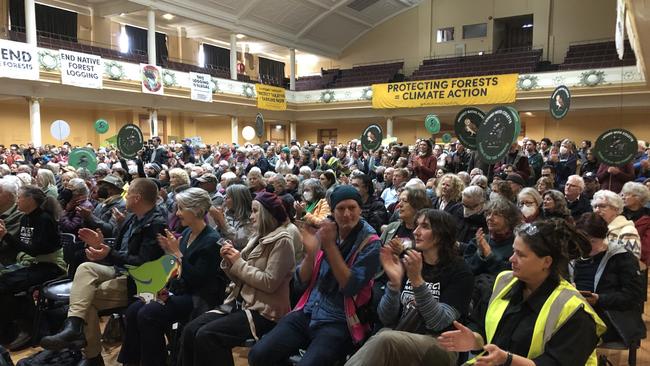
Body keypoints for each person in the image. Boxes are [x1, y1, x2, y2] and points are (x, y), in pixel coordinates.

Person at [438, 219, 606, 365]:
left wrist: (508, 360)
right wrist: (474, 340)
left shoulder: (575, 310)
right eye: (513, 251)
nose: (511, 259)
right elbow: (481, 325)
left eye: (520, 255)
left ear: (546, 262)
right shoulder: (505, 281)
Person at [248, 186, 381, 366]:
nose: (347, 214)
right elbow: (300, 281)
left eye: (352, 208)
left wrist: (329, 247)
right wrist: (310, 255)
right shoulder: (326, 231)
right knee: (258, 354)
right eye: (341, 209)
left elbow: (350, 287)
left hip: (339, 319)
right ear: (333, 211)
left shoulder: (370, 242)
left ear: (360, 209)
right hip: (309, 309)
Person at [41, 178, 167, 366]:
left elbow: (143, 263)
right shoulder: (133, 218)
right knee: (85, 268)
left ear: (137, 197)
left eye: (128, 193)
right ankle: (74, 327)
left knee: (85, 301)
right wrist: (101, 248)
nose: (125, 196)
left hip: (138, 280)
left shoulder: (155, 224)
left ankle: (92, 356)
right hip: (119, 271)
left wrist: (109, 253)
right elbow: (120, 252)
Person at [179, 192, 295, 366]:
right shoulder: (257, 237)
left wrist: (238, 262)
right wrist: (229, 261)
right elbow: (241, 277)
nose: (251, 216)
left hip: (264, 311)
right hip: (241, 301)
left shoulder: (282, 240)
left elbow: (269, 283)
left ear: (267, 214)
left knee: (208, 335)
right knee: (190, 330)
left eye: (255, 211)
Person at [344, 210, 474, 366]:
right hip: (405, 332)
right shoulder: (411, 261)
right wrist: (394, 284)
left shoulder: (460, 270)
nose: (416, 231)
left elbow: (438, 323)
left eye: (425, 226)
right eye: (417, 225)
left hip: (442, 344)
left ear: (441, 234)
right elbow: (386, 318)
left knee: (386, 339)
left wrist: (417, 281)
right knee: (383, 334)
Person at [118, 188, 225, 366]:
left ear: (196, 210)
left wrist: (176, 253)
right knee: (133, 309)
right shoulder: (185, 235)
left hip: (198, 297)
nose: (177, 213)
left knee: (148, 313)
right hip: (179, 291)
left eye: (181, 209)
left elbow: (197, 280)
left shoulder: (212, 240)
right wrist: (169, 256)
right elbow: (176, 271)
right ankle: (133, 361)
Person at [0, 186, 63, 349]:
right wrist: (4, 237)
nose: (17, 200)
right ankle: (17, 328)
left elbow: (35, 250)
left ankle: (26, 328)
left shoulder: (44, 219)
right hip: (33, 264)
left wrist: (6, 236)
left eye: (20, 197)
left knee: (4, 285)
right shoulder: (25, 218)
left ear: (30, 200)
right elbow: (22, 248)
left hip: (51, 267)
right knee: (5, 286)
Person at [572, 213, 645, 344]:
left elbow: (634, 296)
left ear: (604, 237)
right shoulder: (573, 256)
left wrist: (599, 299)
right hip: (577, 310)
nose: (587, 245)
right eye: (582, 241)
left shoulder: (622, 257)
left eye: (593, 241)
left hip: (610, 315)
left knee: (574, 333)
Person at [462, 198, 520, 276]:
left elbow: (510, 274)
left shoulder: (517, 245)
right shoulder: (477, 241)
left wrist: (489, 256)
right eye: (488, 214)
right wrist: (480, 253)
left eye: (496, 214)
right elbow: (466, 270)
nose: (490, 218)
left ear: (509, 219)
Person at [592, 190, 641, 259]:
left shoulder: (628, 230)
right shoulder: (593, 228)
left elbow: (633, 261)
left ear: (616, 209)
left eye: (602, 206)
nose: (597, 210)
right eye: (595, 206)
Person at [209, 184, 255, 250]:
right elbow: (217, 238)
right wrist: (218, 223)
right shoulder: (228, 213)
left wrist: (222, 221)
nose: (224, 199)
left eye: (227, 197)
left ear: (237, 200)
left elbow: (239, 243)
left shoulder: (251, 218)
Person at [621, 182, 650, 264]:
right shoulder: (617, 213)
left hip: (637, 260)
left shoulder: (647, 216)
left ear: (638, 198)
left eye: (627, 195)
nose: (623, 198)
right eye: (623, 195)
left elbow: (647, 246)